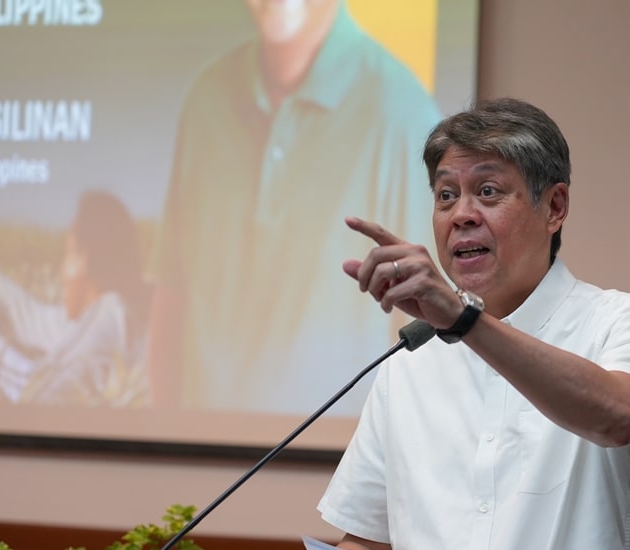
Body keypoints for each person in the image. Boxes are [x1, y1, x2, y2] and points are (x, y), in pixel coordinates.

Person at [291, 98, 630, 550]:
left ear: (555, 206)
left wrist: (462, 319)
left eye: (488, 192)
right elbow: (370, 542)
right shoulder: (410, 364)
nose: (462, 214)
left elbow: (618, 416)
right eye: (447, 195)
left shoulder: (623, 321)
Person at [147, 0, 441, 415]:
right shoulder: (206, 97)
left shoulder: (403, 116)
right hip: (197, 451)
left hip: (336, 460)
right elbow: (171, 293)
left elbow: (426, 333)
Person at [0, 190, 150, 406]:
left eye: (66, 254)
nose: (60, 272)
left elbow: (47, 401)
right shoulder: (90, 321)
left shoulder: (110, 314)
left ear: (84, 260)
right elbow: (22, 312)